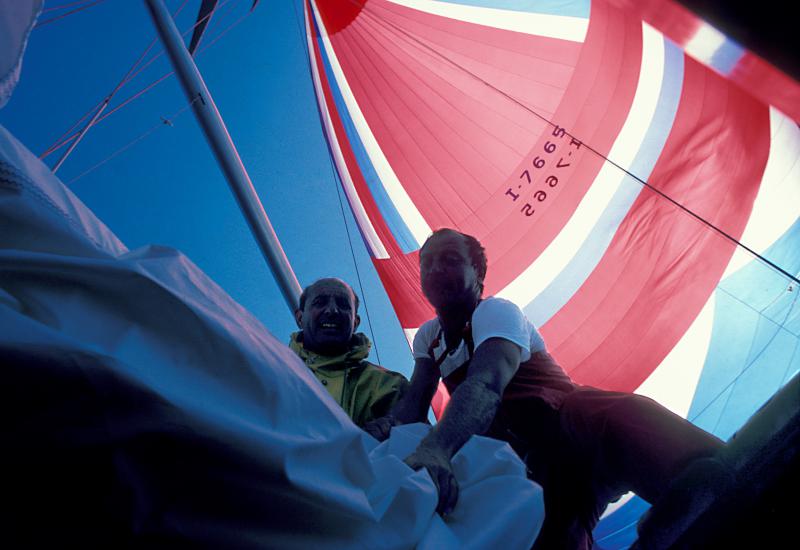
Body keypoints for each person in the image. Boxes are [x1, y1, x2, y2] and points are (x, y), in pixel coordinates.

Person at [365, 228, 724, 549]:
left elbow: (487, 383)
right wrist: (380, 430)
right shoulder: (429, 339)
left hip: (574, 426)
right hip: (535, 468)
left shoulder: (496, 311)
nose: (436, 269)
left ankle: (722, 483)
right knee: (549, 535)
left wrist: (437, 450)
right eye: (427, 262)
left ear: (479, 273)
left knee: (621, 417)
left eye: (450, 259)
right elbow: (413, 407)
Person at [291, 278, 409, 429]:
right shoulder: (271, 372)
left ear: (355, 322)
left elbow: (424, 447)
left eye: (343, 305)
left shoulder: (389, 386)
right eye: (320, 302)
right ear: (300, 317)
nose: (332, 310)